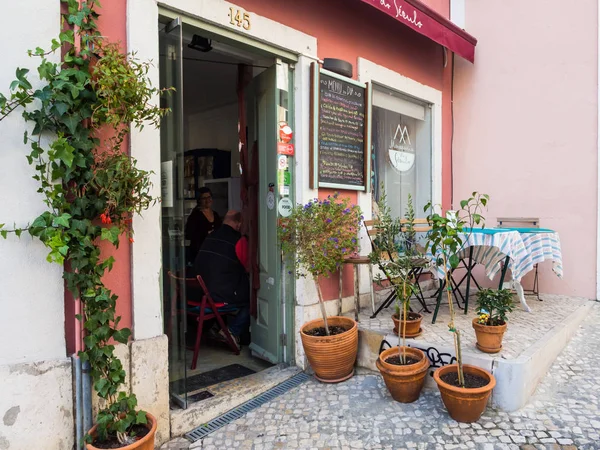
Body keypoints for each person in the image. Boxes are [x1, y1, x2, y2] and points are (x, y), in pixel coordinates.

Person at [194, 210, 249, 348]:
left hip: (197, 295)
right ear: (239, 223)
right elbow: (247, 267)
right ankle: (231, 331)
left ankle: (217, 327)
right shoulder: (238, 240)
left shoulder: (210, 236)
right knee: (254, 300)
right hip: (216, 298)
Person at [185, 187, 222, 264]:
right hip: (200, 253)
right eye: (204, 198)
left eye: (209, 197)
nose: (207, 200)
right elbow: (188, 234)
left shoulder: (216, 215)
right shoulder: (195, 216)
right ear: (199, 200)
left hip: (214, 253)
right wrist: (205, 234)